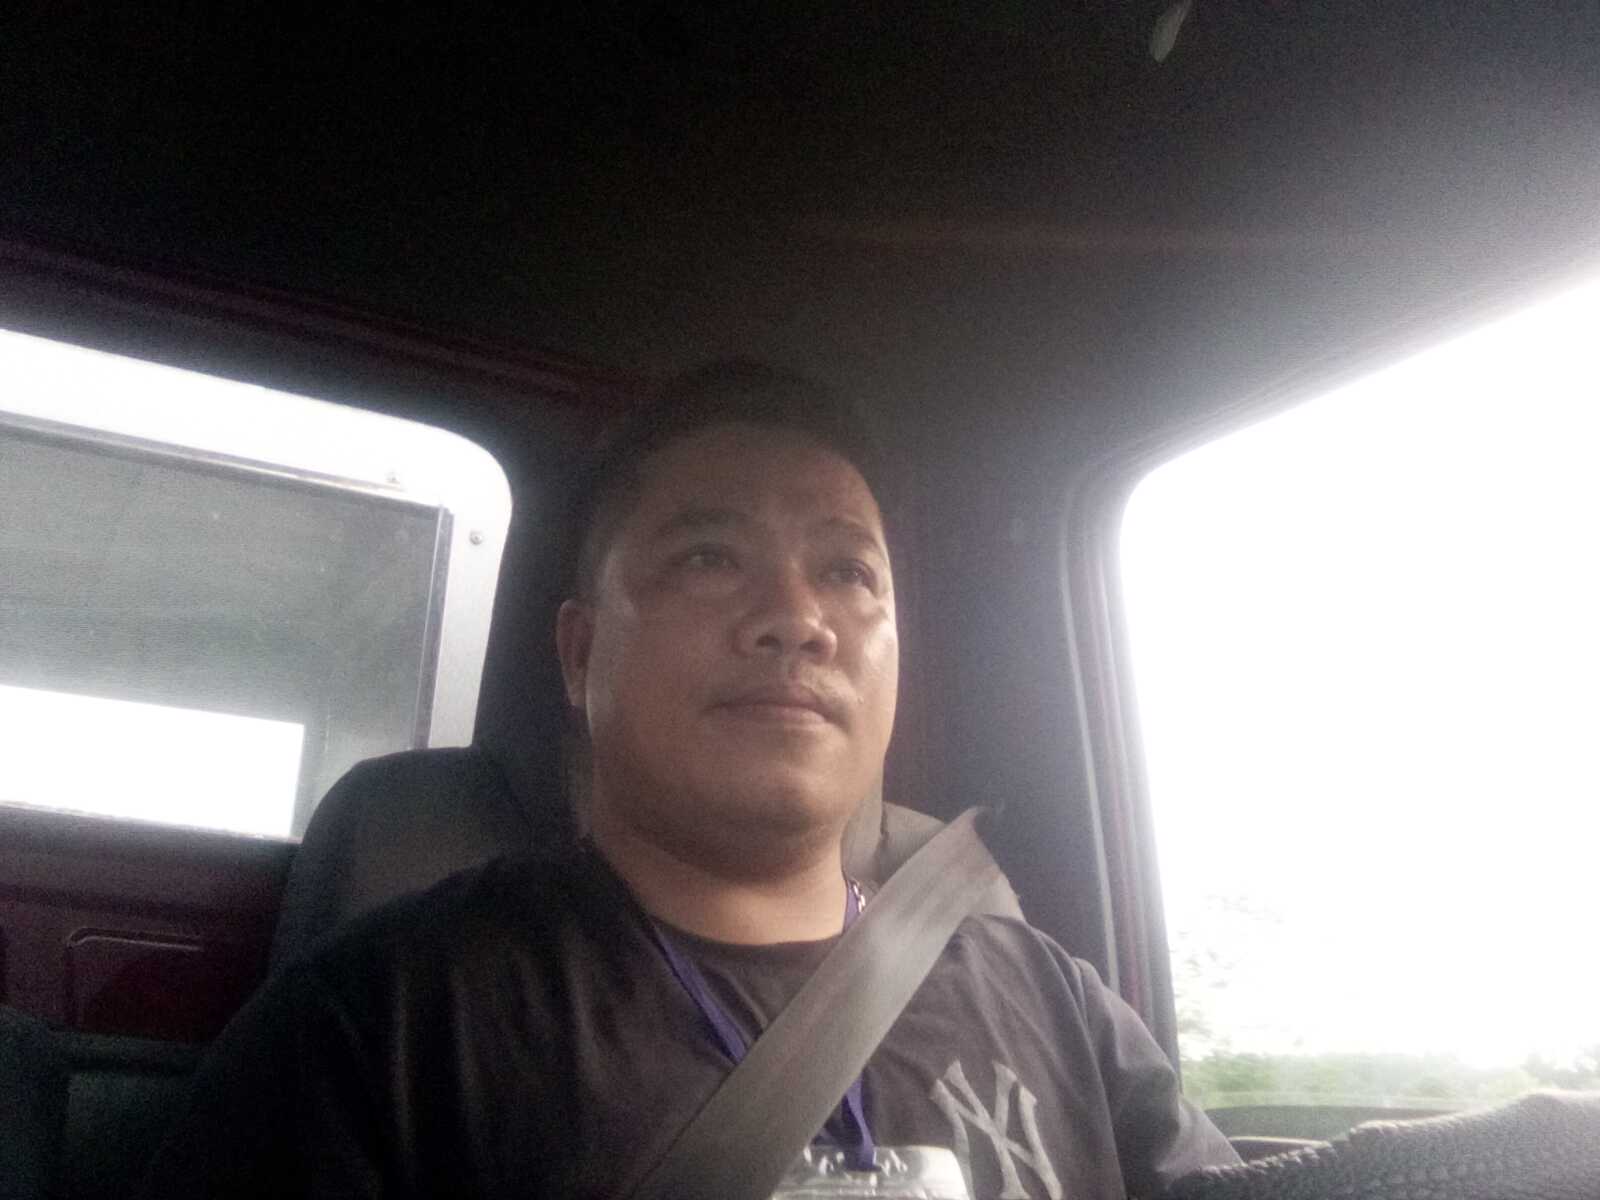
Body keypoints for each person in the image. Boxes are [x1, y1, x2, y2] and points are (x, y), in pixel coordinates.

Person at [139, 363, 1239, 1199]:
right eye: (708, 558)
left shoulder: (1060, 1005)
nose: (797, 620)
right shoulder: (377, 1028)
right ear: (580, 655)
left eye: (847, 572)